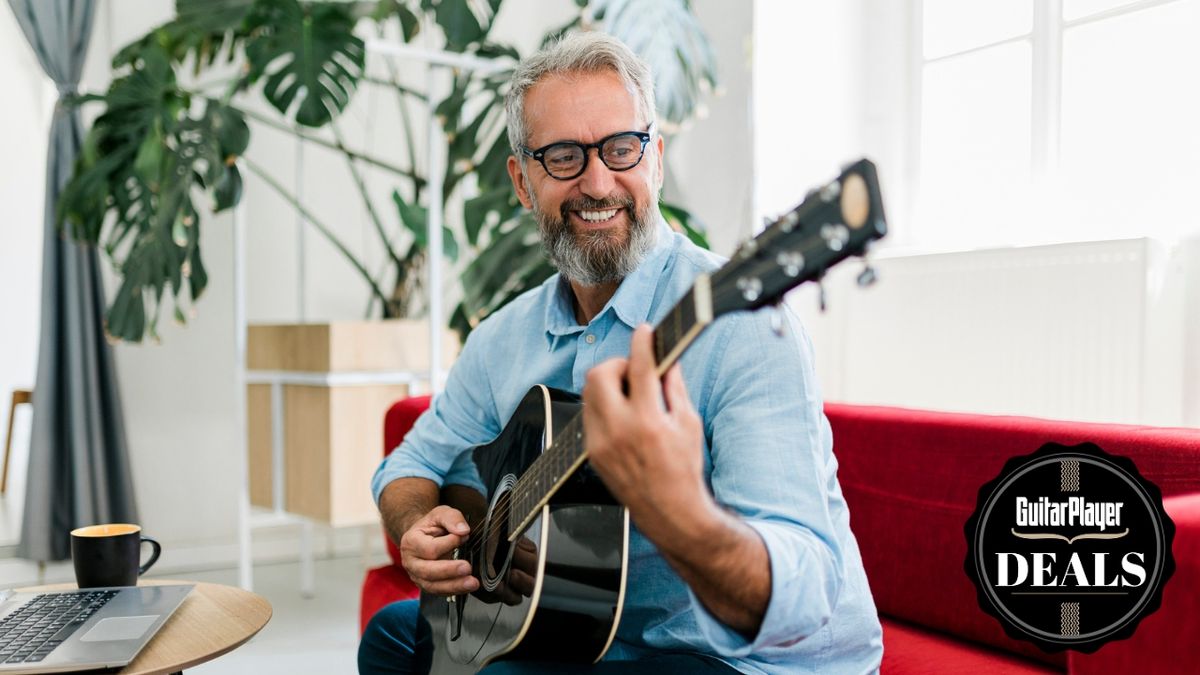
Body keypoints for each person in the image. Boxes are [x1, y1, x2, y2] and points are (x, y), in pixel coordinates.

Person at [359, 31, 883, 675]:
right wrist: (424, 524)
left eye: (621, 148)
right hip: (589, 634)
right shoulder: (503, 337)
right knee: (392, 637)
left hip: (743, 662)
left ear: (655, 160)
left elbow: (805, 595)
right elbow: (410, 462)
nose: (599, 182)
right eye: (563, 157)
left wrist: (678, 512)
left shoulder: (741, 325)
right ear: (522, 182)